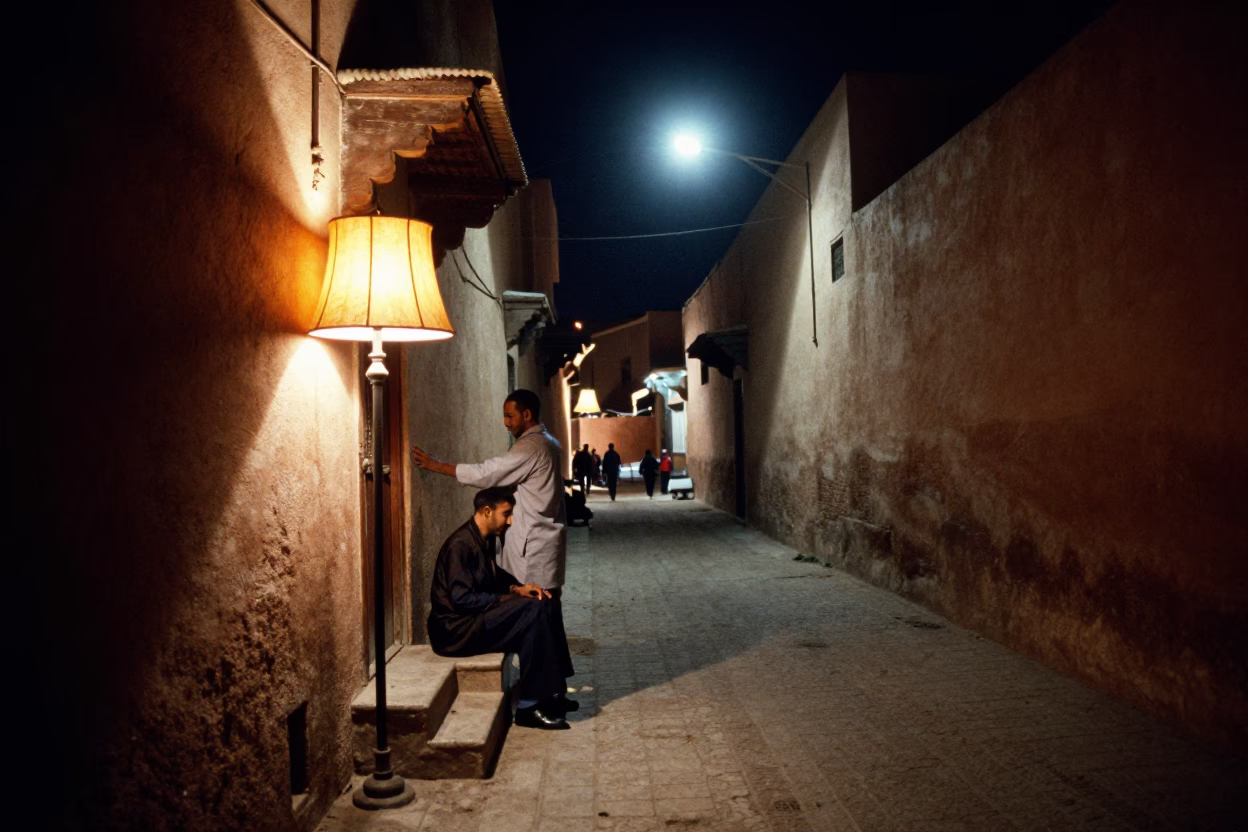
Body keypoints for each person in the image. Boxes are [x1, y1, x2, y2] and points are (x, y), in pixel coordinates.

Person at [410, 389, 579, 714]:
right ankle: (552, 691)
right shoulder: (550, 442)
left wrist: (438, 466)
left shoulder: (532, 445)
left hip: (535, 546)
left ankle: (539, 696)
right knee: (546, 613)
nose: (505, 423)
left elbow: (489, 472)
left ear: (527, 415)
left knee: (540, 615)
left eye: (509, 416)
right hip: (545, 542)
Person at [427, 487, 574, 729]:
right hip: (455, 631)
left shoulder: (481, 538)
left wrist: (518, 587)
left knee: (546, 600)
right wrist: (505, 600)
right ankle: (528, 708)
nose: (510, 521)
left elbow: (494, 575)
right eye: (506, 514)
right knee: (532, 610)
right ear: (487, 511)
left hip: (472, 621)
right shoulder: (460, 545)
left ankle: (554, 693)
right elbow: (461, 599)